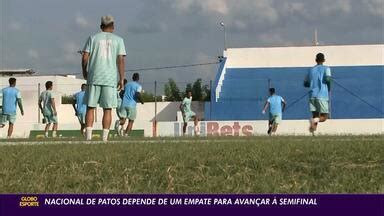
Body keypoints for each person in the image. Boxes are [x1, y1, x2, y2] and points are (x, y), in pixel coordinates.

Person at [81, 15, 126, 141]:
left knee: (90, 107)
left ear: (101, 27)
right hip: (110, 78)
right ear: (113, 26)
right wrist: (122, 79)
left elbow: (85, 57)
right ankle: (104, 139)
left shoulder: (92, 38)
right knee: (107, 109)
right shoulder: (119, 40)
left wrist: (85, 71)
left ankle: (88, 138)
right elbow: (121, 60)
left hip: (94, 77)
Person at [304, 53, 332, 135]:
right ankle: (314, 121)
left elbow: (306, 84)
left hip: (312, 95)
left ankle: (313, 133)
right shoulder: (327, 68)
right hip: (322, 95)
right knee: (325, 116)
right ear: (324, 60)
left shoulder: (311, 70)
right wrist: (329, 88)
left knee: (315, 114)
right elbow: (328, 79)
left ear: (316, 60)